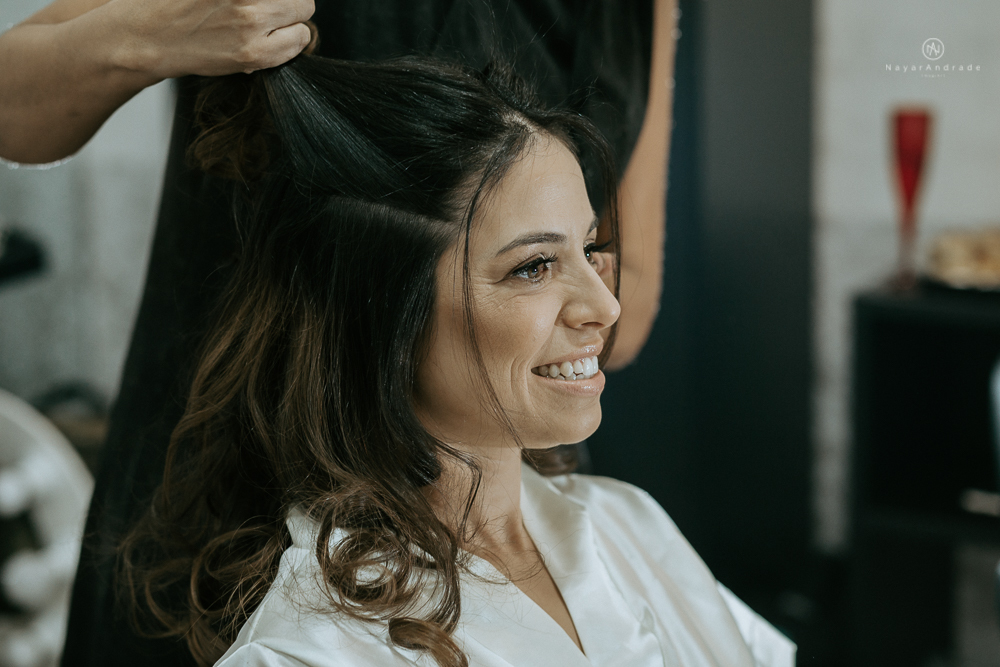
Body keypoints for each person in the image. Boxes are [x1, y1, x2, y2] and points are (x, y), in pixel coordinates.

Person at [0, 1, 674, 664]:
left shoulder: (625, 541)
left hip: (488, 505)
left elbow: (629, 291)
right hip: (219, 496)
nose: (599, 302)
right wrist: (154, 33)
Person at [119, 52, 794, 667]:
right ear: (384, 313)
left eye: (590, 250)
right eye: (534, 267)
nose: (604, 307)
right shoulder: (310, 652)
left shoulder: (626, 523)